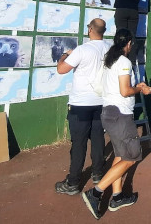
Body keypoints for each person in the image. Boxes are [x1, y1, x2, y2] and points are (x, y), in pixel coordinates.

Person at [82, 28, 151, 219]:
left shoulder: (109, 59)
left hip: (109, 112)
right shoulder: (123, 61)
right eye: (131, 44)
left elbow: (119, 87)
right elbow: (124, 91)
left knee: (121, 155)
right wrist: (140, 90)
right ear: (129, 43)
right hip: (120, 114)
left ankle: (117, 197)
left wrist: (136, 87)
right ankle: (95, 193)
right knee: (131, 157)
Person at [55, 18, 109, 195]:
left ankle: (73, 183)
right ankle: (98, 173)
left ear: (91, 30)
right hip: (101, 102)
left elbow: (61, 69)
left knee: (78, 144)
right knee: (98, 139)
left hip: (80, 105)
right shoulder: (109, 49)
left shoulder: (82, 50)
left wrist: (65, 55)